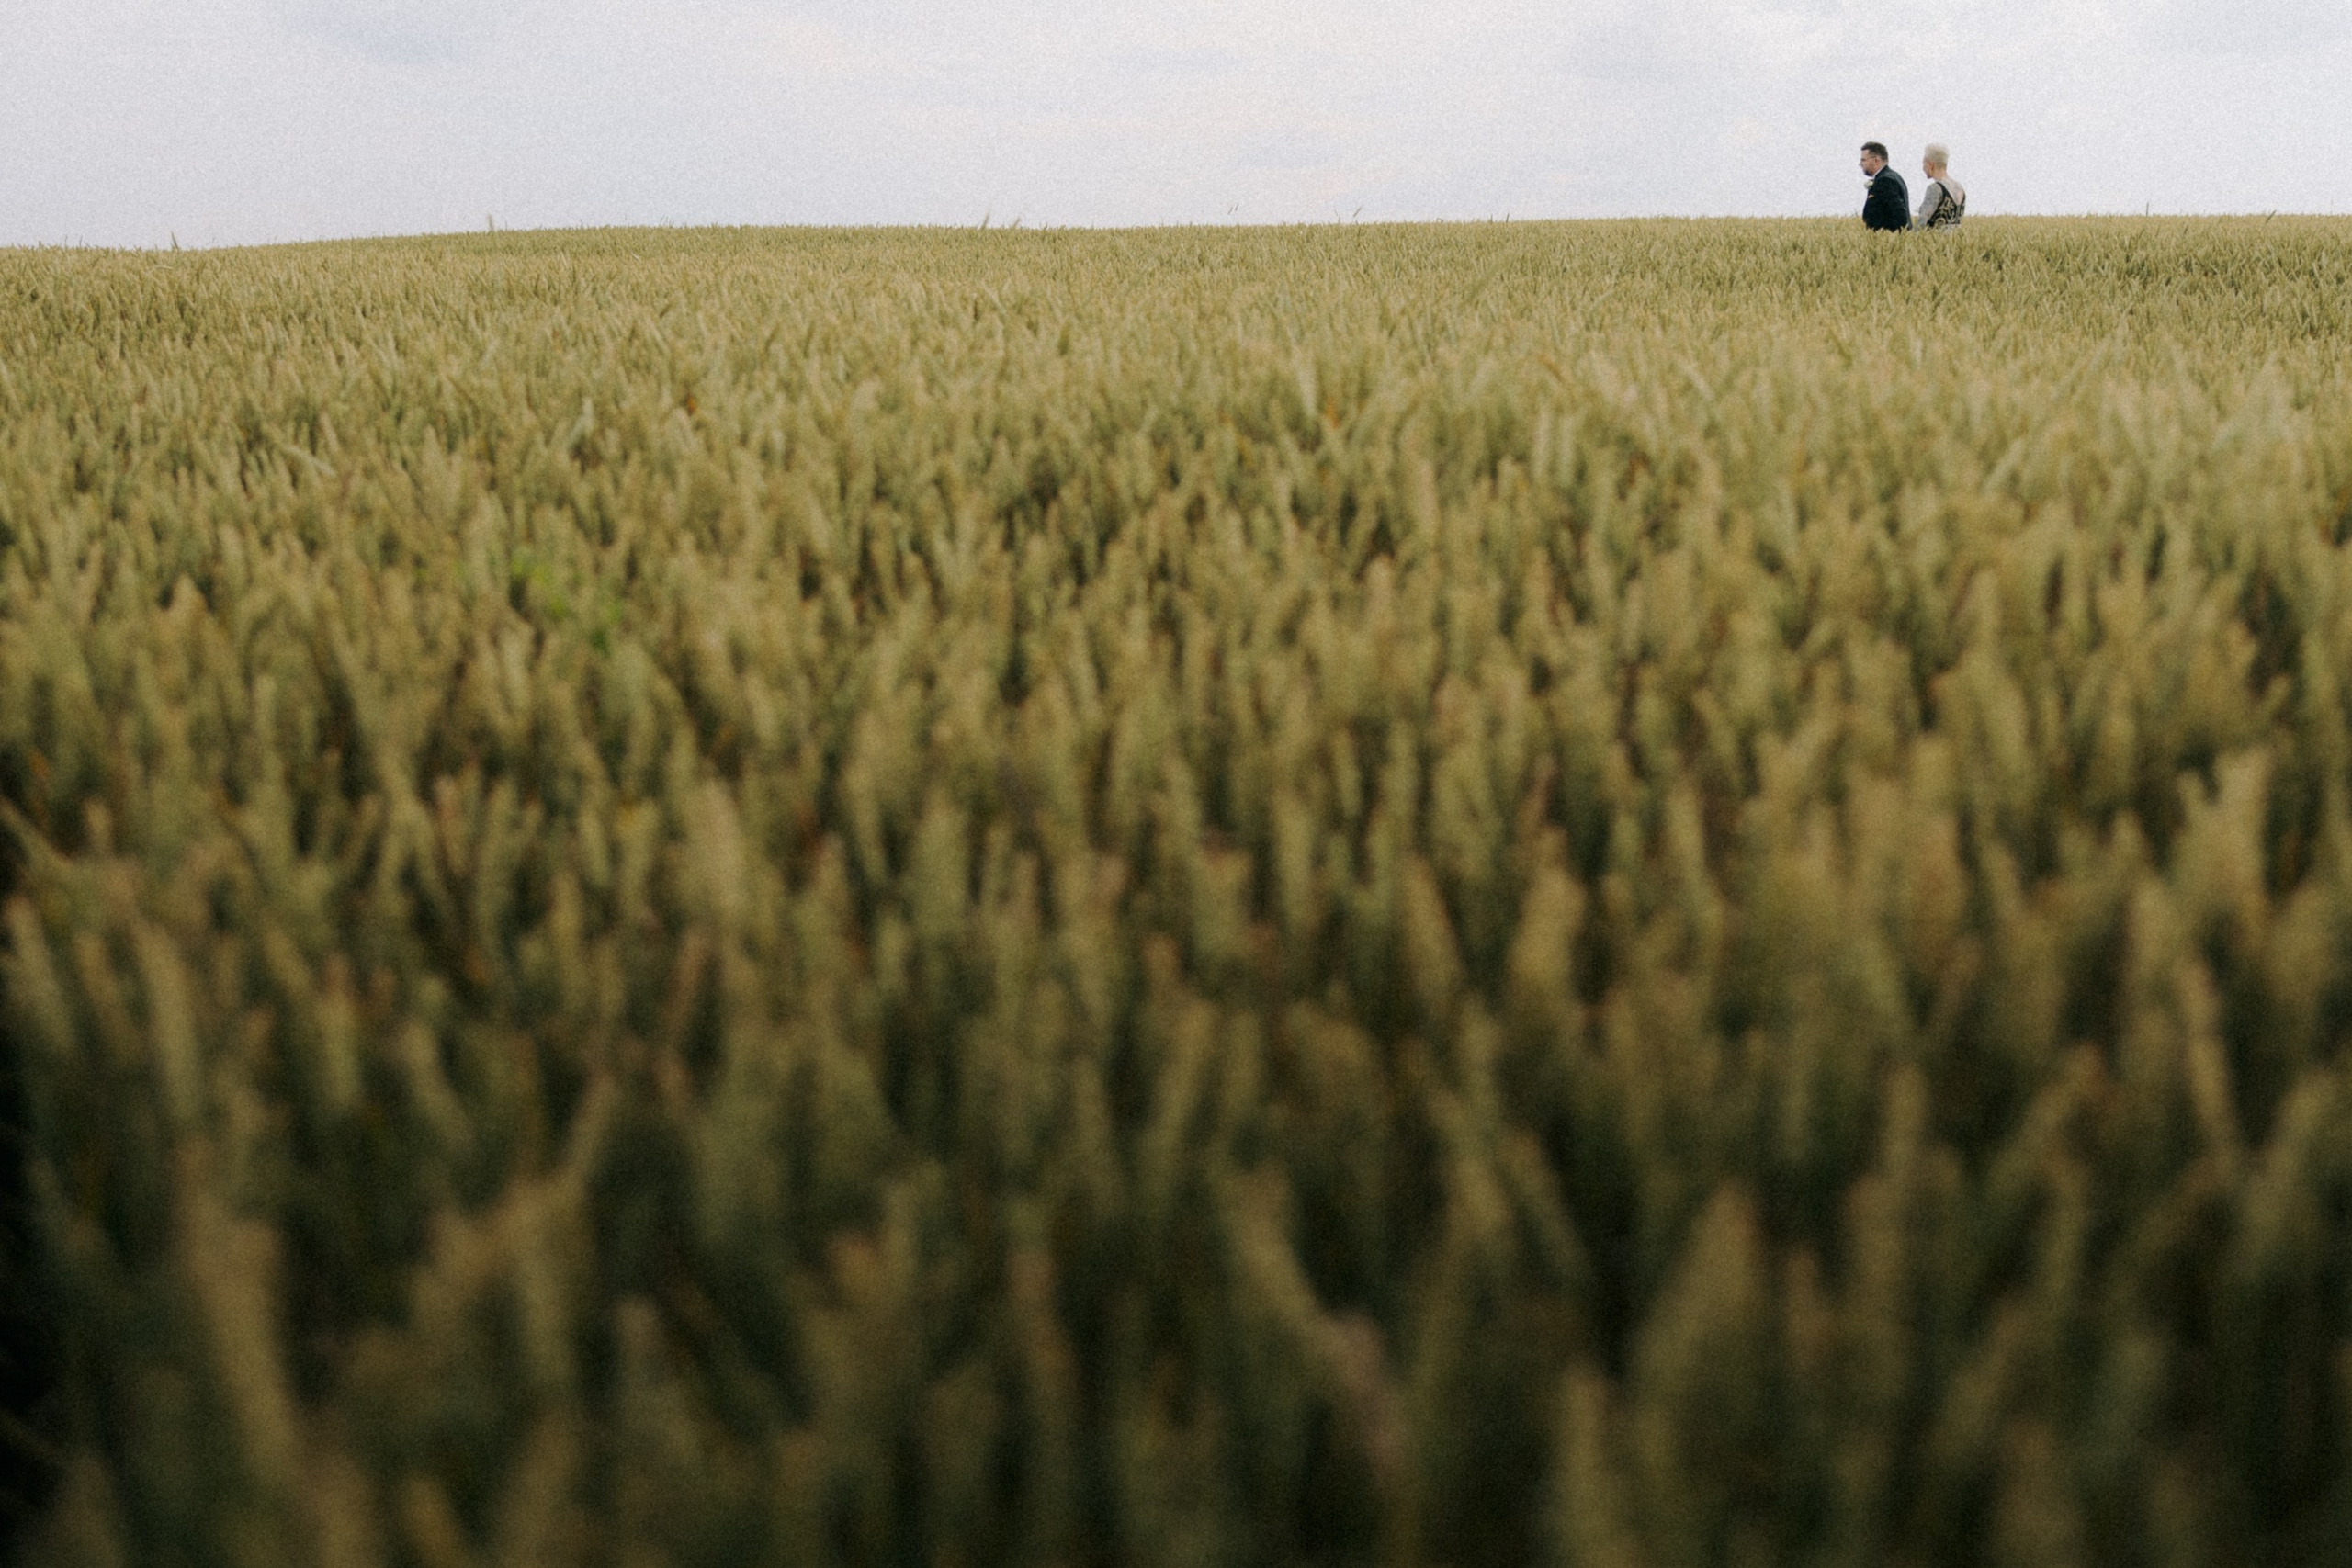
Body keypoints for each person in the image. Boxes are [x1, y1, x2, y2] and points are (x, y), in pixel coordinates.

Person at [1860, 142, 1910, 231]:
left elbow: (1899, 215)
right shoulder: (1895, 176)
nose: (1860, 164)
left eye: (1863, 160)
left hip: (1888, 240)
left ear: (1876, 161)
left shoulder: (1885, 181)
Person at [1916, 143, 1967, 228]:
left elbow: (1922, 222)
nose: (1923, 167)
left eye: (1924, 163)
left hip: (1934, 239)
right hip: (1956, 239)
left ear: (1931, 165)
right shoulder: (1959, 187)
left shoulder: (1935, 188)